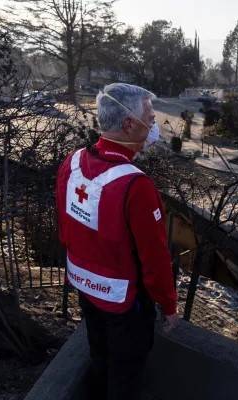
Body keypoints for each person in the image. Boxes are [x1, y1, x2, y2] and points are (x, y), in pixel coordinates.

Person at [55, 83, 178, 400]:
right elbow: (155, 258)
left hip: (84, 285)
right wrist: (167, 304)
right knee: (125, 377)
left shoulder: (73, 162)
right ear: (128, 124)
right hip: (125, 304)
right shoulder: (135, 185)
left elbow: (66, 225)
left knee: (100, 359)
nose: (153, 125)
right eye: (149, 118)